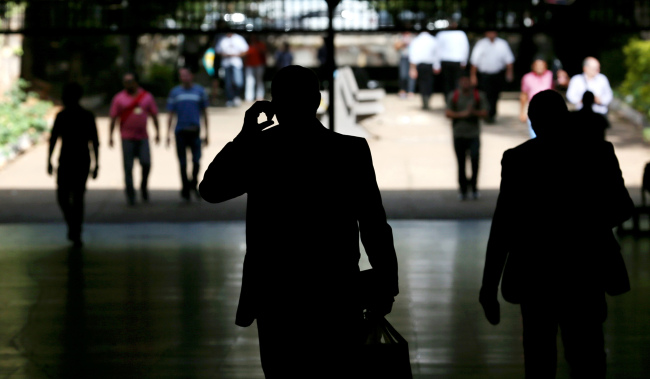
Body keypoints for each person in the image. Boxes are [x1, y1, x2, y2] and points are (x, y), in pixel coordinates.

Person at [199, 65, 398, 378]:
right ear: (317, 101)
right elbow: (373, 223)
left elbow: (211, 190)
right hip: (335, 290)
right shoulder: (349, 151)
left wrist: (246, 135)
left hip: (276, 293)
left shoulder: (262, 150)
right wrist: (386, 283)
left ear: (275, 105)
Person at [479, 90, 634, 379]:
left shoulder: (518, 160)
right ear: (566, 118)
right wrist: (586, 225)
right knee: (588, 356)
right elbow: (623, 208)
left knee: (539, 360)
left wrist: (489, 287)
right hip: (585, 270)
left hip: (535, 273)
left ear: (534, 122)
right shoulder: (599, 153)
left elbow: (503, 227)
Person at [48, 83, 99, 247]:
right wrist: (97, 163)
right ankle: (74, 227)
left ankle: (74, 228)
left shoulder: (66, 116)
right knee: (75, 197)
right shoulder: (83, 115)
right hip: (79, 159)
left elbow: (54, 139)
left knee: (69, 196)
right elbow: (95, 142)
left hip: (72, 160)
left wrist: (48, 160)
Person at [109, 73, 160, 205]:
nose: (128, 84)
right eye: (125, 82)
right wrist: (110, 136)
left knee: (146, 163)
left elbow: (154, 114)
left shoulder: (146, 97)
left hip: (143, 137)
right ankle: (130, 195)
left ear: (136, 82)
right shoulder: (119, 98)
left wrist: (158, 132)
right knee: (128, 167)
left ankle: (143, 186)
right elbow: (113, 117)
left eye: (130, 81)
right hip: (126, 138)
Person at [167, 68, 210, 201]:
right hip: (180, 131)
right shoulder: (175, 92)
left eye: (187, 75)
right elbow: (170, 114)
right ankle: (185, 188)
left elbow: (205, 113)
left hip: (194, 131)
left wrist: (207, 133)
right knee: (183, 163)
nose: (185, 78)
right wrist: (167, 133)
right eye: (182, 76)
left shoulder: (200, 91)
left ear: (192, 76)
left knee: (196, 161)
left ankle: (193, 183)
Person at [445, 73, 488, 200]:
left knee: (475, 160)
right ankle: (463, 189)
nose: (465, 84)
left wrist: (473, 112)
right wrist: (463, 114)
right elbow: (448, 113)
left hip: (473, 134)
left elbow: (485, 112)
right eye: (463, 81)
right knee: (461, 163)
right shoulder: (454, 96)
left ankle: (474, 186)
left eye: (467, 81)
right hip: (459, 134)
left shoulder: (478, 96)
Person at [469, 30, 515, 123]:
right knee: (485, 95)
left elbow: (509, 60)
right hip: (484, 75)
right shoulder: (481, 44)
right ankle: (485, 113)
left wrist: (509, 73)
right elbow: (474, 61)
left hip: (497, 74)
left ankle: (492, 113)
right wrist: (473, 76)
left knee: (495, 95)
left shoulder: (502, 44)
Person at [520, 58, 569, 138]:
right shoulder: (527, 77)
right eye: (537, 65)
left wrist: (564, 77)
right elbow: (524, 95)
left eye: (542, 65)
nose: (539, 67)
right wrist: (522, 112)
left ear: (545, 66)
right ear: (533, 66)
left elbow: (563, 84)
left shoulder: (552, 75)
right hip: (534, 110)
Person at [435, 22, 470, 103]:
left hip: (454, 61)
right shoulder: (442, 34)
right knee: (449, 83)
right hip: (448, 61)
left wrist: (464, 61)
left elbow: (465, 48)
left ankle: (455, 101)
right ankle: (450, 102)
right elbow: (437, 49)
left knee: (454, 83)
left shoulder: (460, 34)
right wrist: (437, 64)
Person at [408, 31, 441, 110]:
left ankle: (425, 99)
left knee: (422, 83)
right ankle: (427, 99)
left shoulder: (416, 40)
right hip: (429, 65)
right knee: (429, 83)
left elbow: (413, 55)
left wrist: (412, 68)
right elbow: (437, 54)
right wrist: (437, 65)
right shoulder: (433, 40)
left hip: (421, 65)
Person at [215, 32, 248, 107]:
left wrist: (236, 55)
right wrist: (225, 54)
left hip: (236, 63)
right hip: (226, 64)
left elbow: (245, 50)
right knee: (228, 83)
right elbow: (217, 51)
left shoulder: (238, 38)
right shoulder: (222, 39)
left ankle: (236, 96)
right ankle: (229, 99)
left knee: (239, 82)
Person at [244, 35, 267, 102]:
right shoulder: (247, 45)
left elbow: (264, 52)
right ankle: (249, 97)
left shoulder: (260, 44)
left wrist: (257, 47)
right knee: (249, 81)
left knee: (259, 81)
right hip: (249, 65)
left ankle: (260, 96)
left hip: (259, 65)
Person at [394, 32, 416, 99]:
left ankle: (410, 92)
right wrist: (403, 43)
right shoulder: (399, 36)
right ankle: (402, 90)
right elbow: (396, 47)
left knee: (411, 75)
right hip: (403, 58)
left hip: (412, 57)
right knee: (403, 75)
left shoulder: (413, 36)